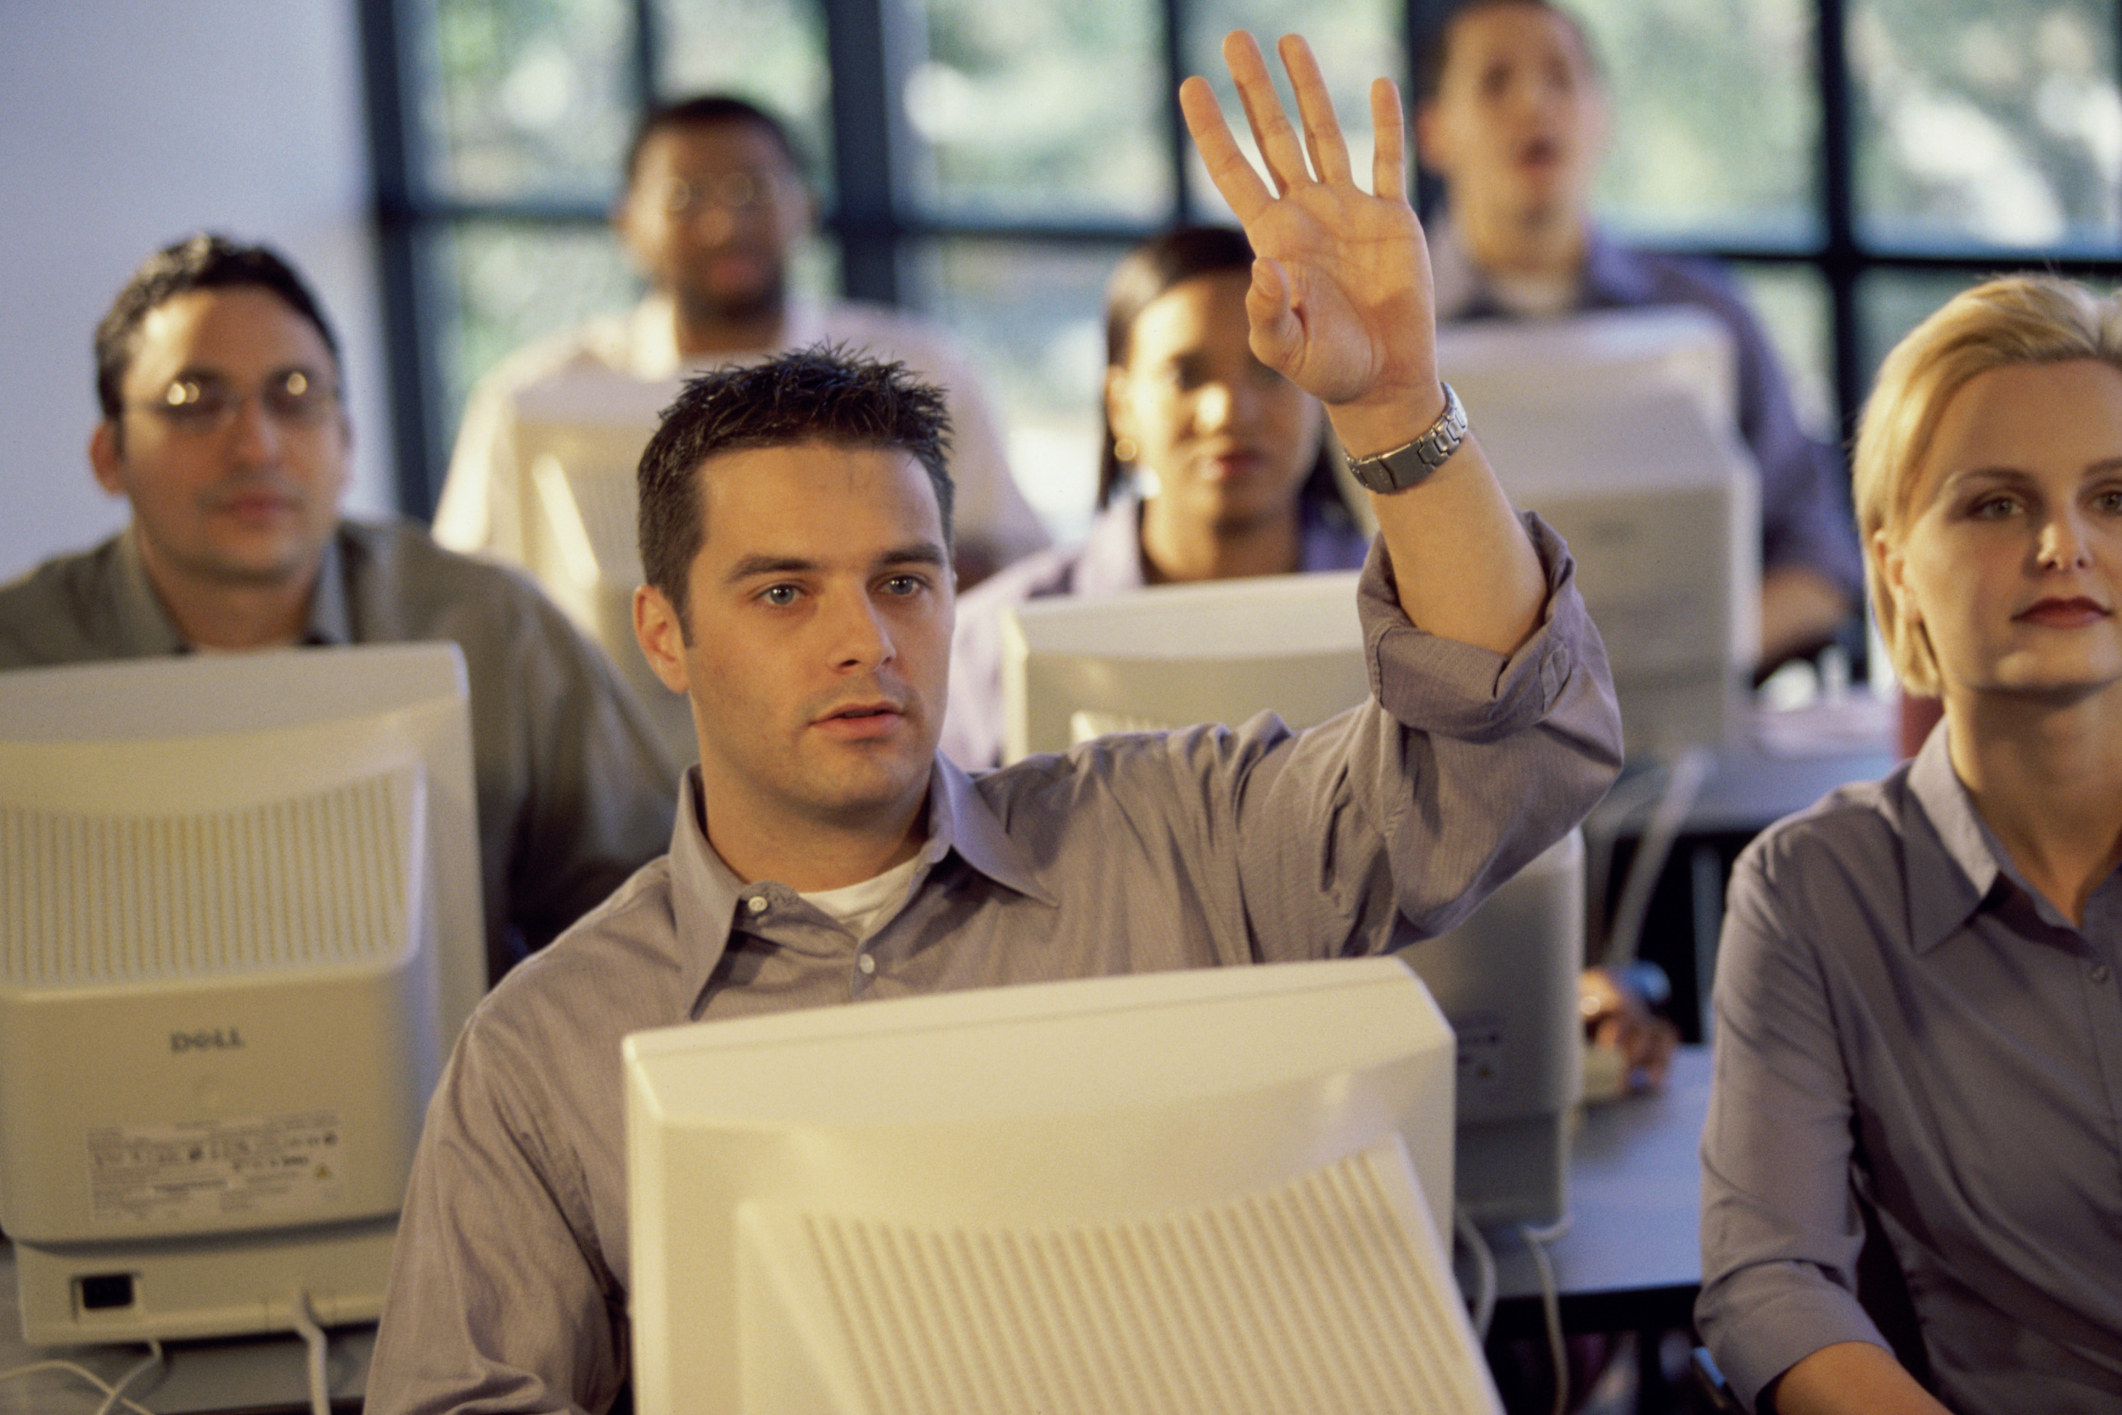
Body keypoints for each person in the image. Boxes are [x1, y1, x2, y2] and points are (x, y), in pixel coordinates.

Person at [363, 32, 1625, 1412]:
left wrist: (1395, 408)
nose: (864, 637)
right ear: (663, 632)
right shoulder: (545, 1048)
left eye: (902, 580)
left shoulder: (1171, 840)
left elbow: (1502, 752)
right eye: (783, 590)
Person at [0, 234, 677, 986]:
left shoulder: (487, 627)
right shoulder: (21, 652)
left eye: (294, 394)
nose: (255, 445)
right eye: (196, 401)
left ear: (346, 441)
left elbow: (653, 924)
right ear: (109, 455)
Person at [1696, 274, 2122, 1414]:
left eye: (2113, 496)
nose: (2061, 544)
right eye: (1993, 503)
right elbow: (1770, 1284)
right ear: (1894, 567)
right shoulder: (1811, 892)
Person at [432, 92, 1048, 588]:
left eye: (752, 191)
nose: (725, 225)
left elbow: (1019, 563)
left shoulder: (917, 365)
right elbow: (467, 600)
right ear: (627, 224)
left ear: (805, 207)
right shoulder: (537, 397)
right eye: (684, 196)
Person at [1414, 0, 1863, 673]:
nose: (1534, 103)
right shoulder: (1394, 346)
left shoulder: (1705, 313)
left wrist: (1689, 657)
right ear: (1433, 132)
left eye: (1561, 78)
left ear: (1603, 115)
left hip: (1693, 733)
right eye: (1495, 81)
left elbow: (1820, 558)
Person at [939, 223, 1369, 771]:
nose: (1230, 412)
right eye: (1186, 376)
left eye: (1270, 371)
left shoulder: (1410, 617)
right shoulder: (987, 648)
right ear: (1120, 407)